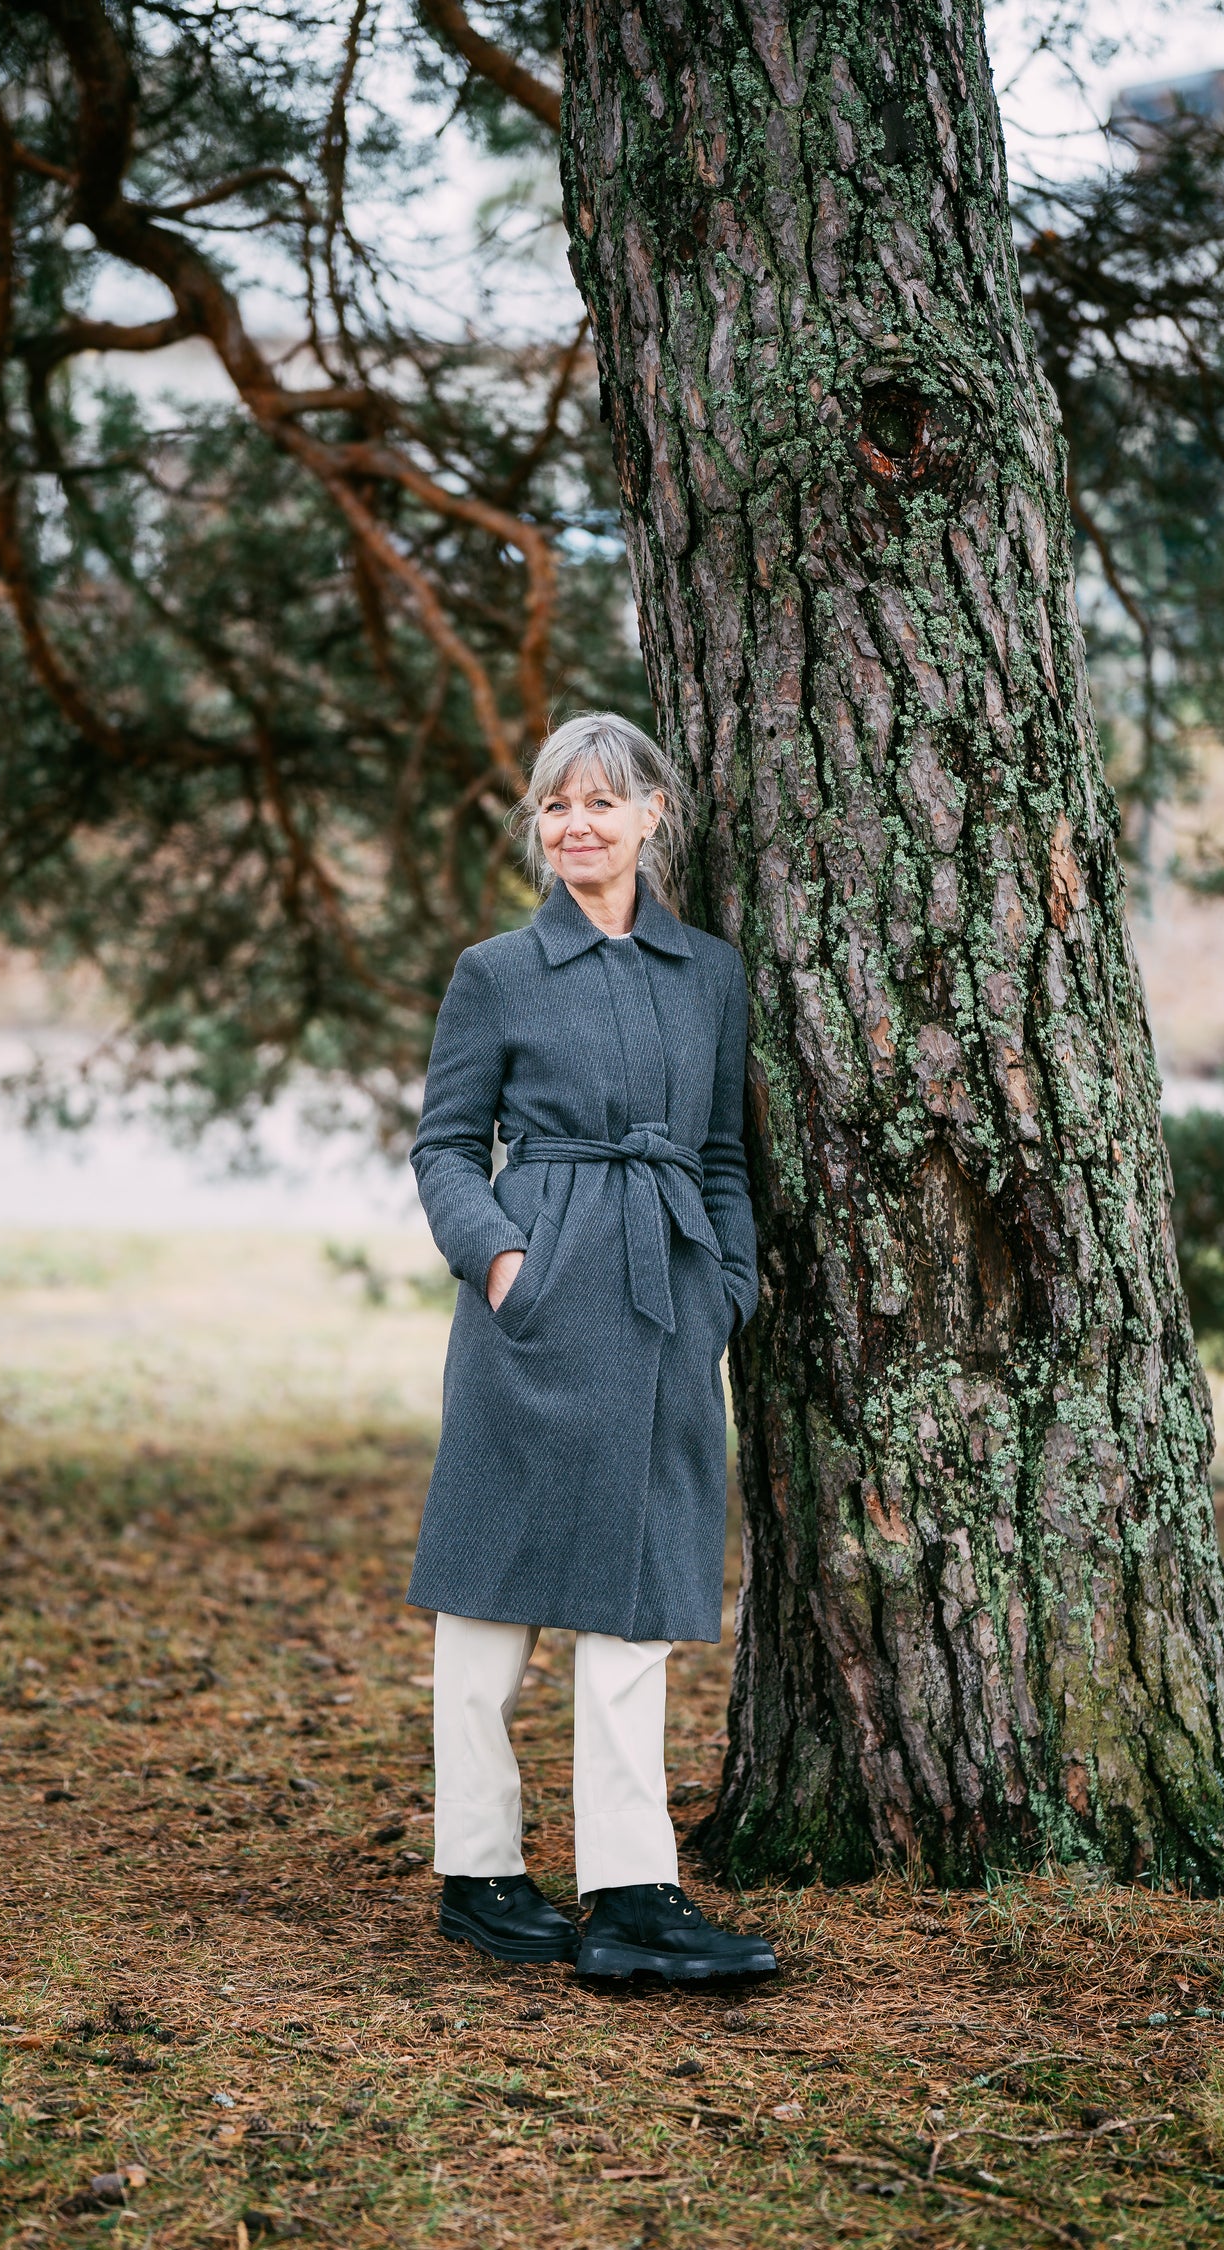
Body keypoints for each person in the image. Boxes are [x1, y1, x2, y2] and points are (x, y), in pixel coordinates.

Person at [407, 711, 776, 1982]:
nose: (578, 825)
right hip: (534, 1303)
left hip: (668, 1306)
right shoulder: (496, 971)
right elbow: (446, 1148)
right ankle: (480, 1870)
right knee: (490, 1592)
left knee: (637, 1600)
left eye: (602, 803)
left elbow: (723, 1153)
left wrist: (728, 1284)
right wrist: (506, 1262)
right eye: (557, 805)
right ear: (538, 824)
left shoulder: (710, 974)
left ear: (651, 816)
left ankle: (631, 1891)